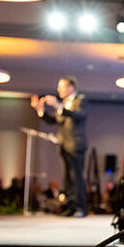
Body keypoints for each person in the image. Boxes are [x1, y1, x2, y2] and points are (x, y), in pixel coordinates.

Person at [31, 76, 88, 217]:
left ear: (71, 87)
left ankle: (81, 208)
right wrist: (40, 110)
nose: (59, 90)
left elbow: (78, 115)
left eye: (61, 87)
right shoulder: (64, 103)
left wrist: (58, 106)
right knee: (67, 178)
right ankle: (71, 206)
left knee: (77, 177)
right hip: (63, 145)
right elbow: (53, 120)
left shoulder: (80, 100)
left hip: (75, 144)